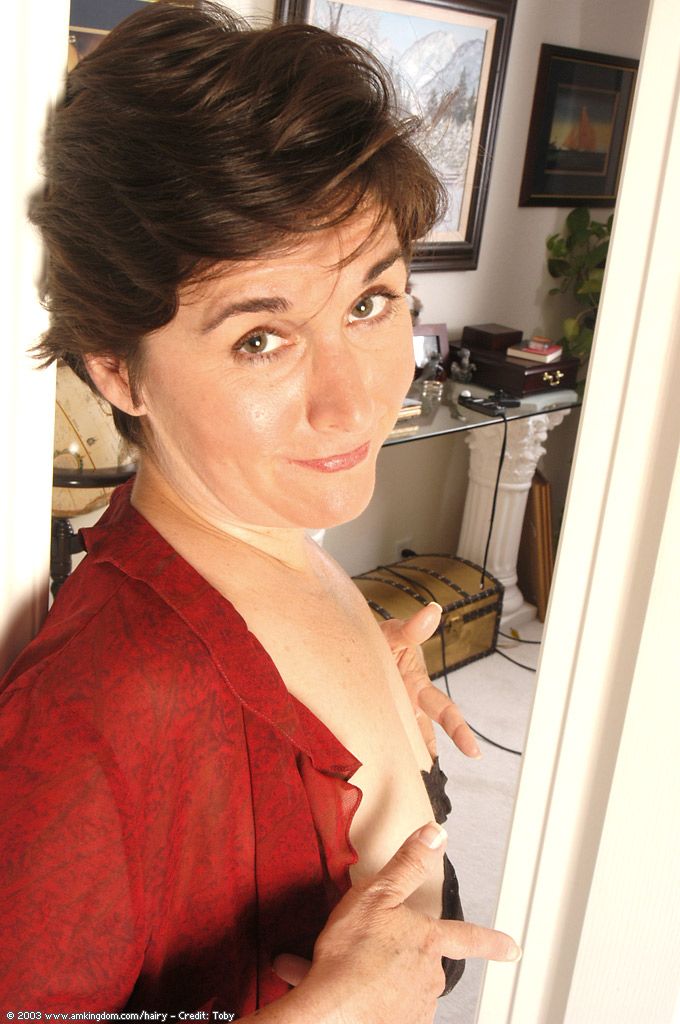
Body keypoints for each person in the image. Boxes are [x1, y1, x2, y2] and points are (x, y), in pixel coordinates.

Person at [0, 2, 519, 1020]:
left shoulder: (289, 552)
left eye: (369, 302)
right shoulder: (106, 701)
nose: (351, 401)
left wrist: (364, 707)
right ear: (119, 370)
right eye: (259, 339)